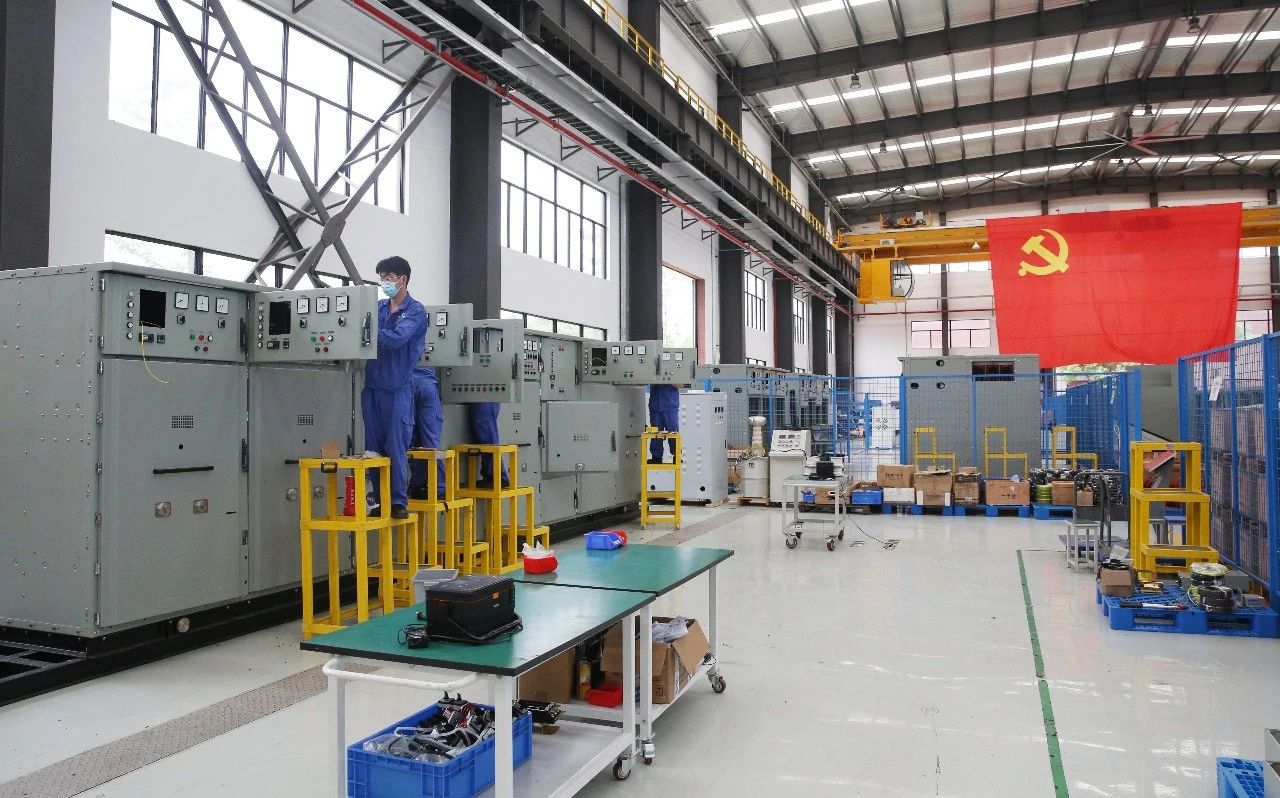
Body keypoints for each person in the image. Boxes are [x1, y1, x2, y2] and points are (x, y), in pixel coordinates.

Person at [361, 256, 427, 519]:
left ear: (403, 279)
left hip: (398, 388)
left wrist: (365, 332)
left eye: (388, 277)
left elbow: (397, 339)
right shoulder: (377, 308)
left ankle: (398, 502)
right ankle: (379, 501)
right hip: (372, 387)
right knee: (373, 448)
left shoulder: (415, 311)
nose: (384, 282)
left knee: (395, 445)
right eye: (381, 278)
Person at [408, 366, 445, 501]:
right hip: (428, 385)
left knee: (412, 440)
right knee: (431, 440)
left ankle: (418, 485)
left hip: (407, 385)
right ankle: (439, 487)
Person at [468, 402, 509, 488]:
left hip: (484, 400)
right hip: (484, 399)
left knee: (487, 433)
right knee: (486, 434)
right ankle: (492, 475)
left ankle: (498, 475)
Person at [647, 383, 681, 464]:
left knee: (673, 431)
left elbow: (681, 384)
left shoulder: (676, 374)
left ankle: (677, 455)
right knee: (655, 432)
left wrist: (667, 379)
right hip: (655, 405)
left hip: (669, 404)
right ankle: (656, 457)